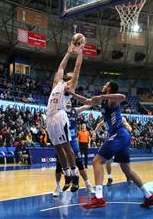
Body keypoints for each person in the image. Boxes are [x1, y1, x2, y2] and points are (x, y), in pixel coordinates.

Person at [68, 81, 153, 209]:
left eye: (105, 84)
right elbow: (87, 101)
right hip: (123, 136)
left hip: (119, 134)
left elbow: (123, 97)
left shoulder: (112, 100)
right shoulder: (104, 100)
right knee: (127, 169)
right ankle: (149, 196)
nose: (103, 85)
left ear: (109, 88)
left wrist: (103, 96)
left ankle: (98, 197)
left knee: (97, 162)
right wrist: (72, 94)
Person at [46, 39, 85, 193]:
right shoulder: (57, 82)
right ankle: (67, 174)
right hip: (49, 117)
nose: (68, 73)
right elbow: (61, 66)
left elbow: (77, 67)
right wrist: (68, 53)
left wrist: (80, 51)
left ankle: (75, 174)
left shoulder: (70, 86)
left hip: (60, 115)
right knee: (57, 147)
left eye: (71, 73)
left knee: (66, 146)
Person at [53, 101, 95, 197]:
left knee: (79, 163)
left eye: (70, 101)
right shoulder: (60, 111)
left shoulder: (74, 110)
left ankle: (88, 184)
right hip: (62, 139)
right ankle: (58, 187)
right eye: (66, 100)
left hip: (72, 140)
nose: (68, 101)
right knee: (59, 165)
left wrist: (93, 102)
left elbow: (85, 106)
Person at [93, 117, 133, 186]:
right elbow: (99, 124)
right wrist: (94, 132)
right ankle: (109, 178)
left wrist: (127, 127)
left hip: (120, 140)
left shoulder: (121, 119)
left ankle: (128, 175)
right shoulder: (109, 118)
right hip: (111, 139)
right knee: (108, 160)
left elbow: (130, 128)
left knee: (123, 163)